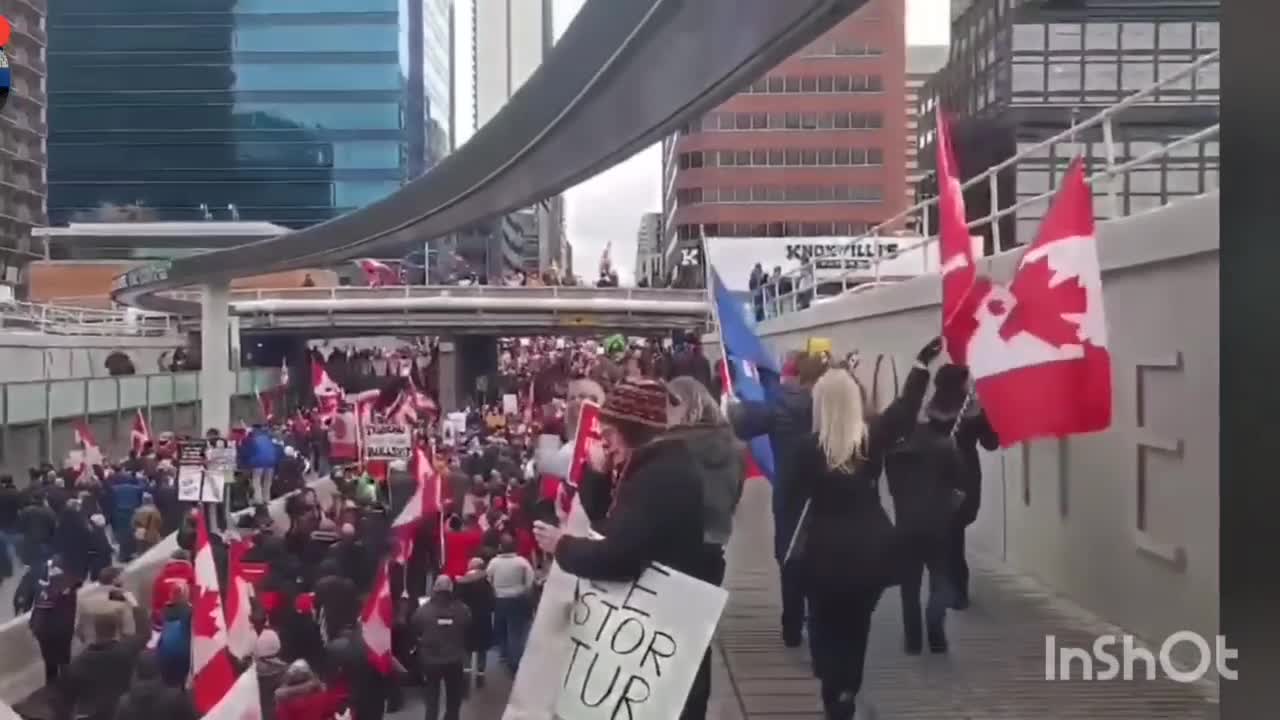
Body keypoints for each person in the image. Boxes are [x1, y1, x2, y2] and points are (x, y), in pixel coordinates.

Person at [533, 377, 717, 720]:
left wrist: (563, 546)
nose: (604, 443)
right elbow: (602, 521)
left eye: (610, 434)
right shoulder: (651, 467)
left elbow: (620, 557)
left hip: (662, 642)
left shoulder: (658, 477)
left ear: (631, 431)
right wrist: (598, 474)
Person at [789, 338, 940, 719]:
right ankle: (845, 693)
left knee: (825, 628)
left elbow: (792, 500)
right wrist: (921, 364)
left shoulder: (807, 449)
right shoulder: (870, 440)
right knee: (857, 628)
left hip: (822, 555)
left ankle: (834, 690)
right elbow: (904, 412)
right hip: (870, 552)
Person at [728, 353, 827, 648]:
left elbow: (742, 425)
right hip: (825, 492)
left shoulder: (778, 406)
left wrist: (734, 403)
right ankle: (818, 620)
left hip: (789, 494)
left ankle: (792, 628)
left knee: (789, 557)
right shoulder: (829, 405)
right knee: (821, 556)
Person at [413, 576, 471, 720]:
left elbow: (415, 628)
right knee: (453, 698)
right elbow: (468, 627)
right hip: (454, 660)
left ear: (435, 589)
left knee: (432, 697)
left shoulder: (423, 610)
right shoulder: (462, 609)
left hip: (431, 661)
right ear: (451, 589)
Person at [485, 536, 534, 671]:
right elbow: (530, 579)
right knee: (515, 631)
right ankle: (515, 661)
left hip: (500, 599)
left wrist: (495, 590)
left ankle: (504, 654)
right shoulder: (521, 562)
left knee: (501, 628)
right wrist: (524, 590)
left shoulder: (494, 563)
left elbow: (487, 578)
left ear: (501, 547)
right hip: (517, 599)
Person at [454, 557, 495, 689]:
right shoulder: (486, 584)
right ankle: (480, 676)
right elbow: (493, 603)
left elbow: (457, 603)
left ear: (471, 567)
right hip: (483, 620)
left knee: (467, 648)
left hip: (467, 620)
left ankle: (466, 676)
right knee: (482, 649)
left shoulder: (462, 583)